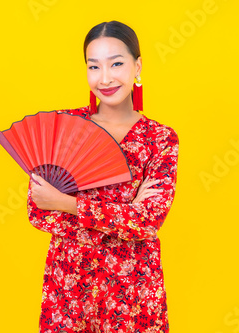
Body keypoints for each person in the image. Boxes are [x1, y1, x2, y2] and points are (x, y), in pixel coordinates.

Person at [27, 20, 179, 333]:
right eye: (94, 66)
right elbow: (39, 211)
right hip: (70, 282)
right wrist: (126, 209)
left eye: (117, 64)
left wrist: (67, 203)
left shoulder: (160, 139)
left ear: (137, 66)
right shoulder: (65, 127)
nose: (105, 78)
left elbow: (148, 221)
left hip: (132, 285)